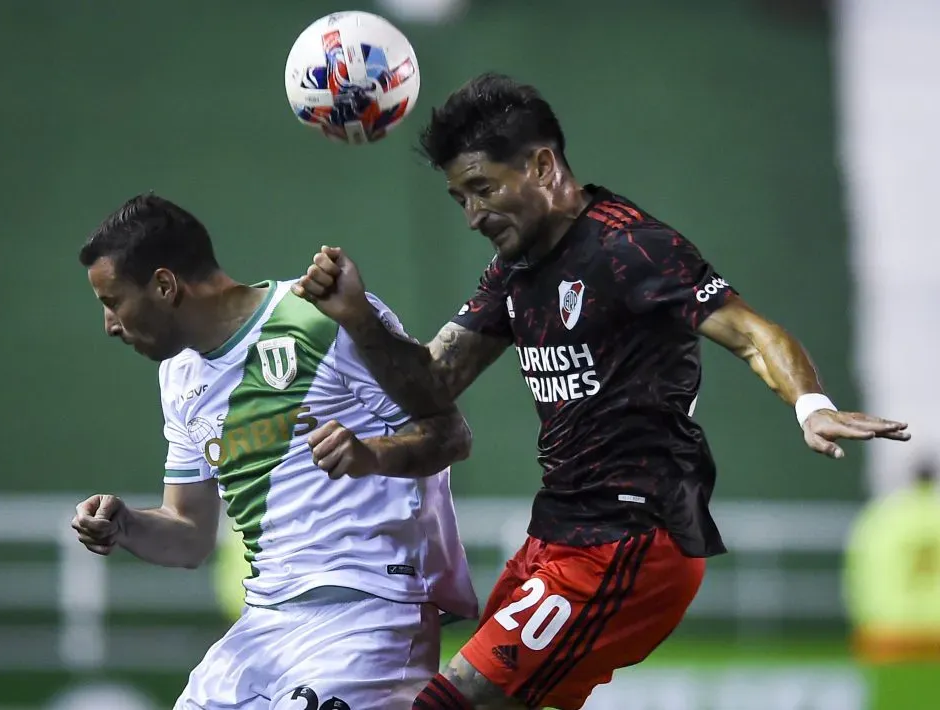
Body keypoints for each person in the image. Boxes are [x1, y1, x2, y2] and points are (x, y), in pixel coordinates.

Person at [292, 73, 912, 710]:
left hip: (633, 535)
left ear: (541, 164)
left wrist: (812, 406)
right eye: (459, 200)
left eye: (482, 189)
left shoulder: (630, 248)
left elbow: (753, 335)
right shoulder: (513, 270)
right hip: (559, 533)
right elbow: (433, 385)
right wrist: (358, 318)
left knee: (453, 703)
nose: (473, 215)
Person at [70, 193, 479, 710]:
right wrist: (126, 525)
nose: (109, 325)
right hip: (263, 623)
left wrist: (371, 454)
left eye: (112, 302)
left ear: (164, 285)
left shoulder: (319, 316)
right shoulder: (178, 377)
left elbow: (449, 436)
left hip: (370, 615)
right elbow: (190, 536)